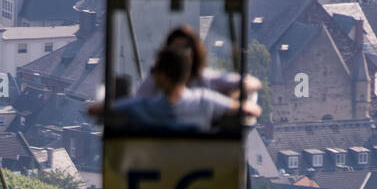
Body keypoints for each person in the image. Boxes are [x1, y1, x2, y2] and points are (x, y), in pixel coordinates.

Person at [93, 43, 261, 133]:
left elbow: (96, 109)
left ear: (163, 77)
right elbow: (252, 111)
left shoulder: (144, 106)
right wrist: (232, 101)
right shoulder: (204, 100)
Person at [132, 25, 261, 102]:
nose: (180, 56)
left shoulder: (203, 79)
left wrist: (233, 99)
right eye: (176, 49)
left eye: (185, 50)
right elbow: (136, 104)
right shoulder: (155, 80)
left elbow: (252, 82)